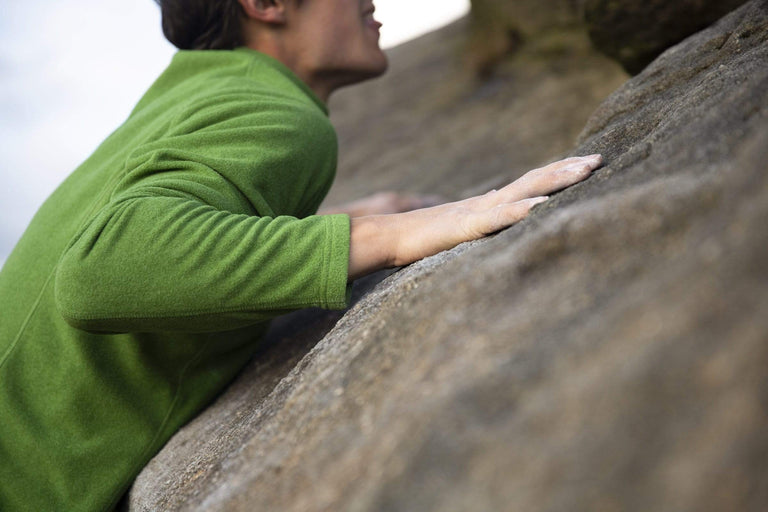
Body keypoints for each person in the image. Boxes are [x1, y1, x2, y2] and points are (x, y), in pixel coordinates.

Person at [0, 0, 603, 510]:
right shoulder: (278, 112)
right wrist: (391, 236)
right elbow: (104, 269)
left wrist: (335, 221)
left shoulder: (198, 92)